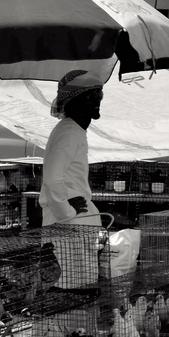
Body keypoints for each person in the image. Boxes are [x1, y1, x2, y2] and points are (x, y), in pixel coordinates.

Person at [39, 70, 103, 230]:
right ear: (73, 100)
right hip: (68, 222)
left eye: (99, 94)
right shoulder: (70, 133)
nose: (97, 100)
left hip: (72, 220)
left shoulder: (72, 130)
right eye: (90, 96)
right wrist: (65, 212)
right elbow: (52, 179)